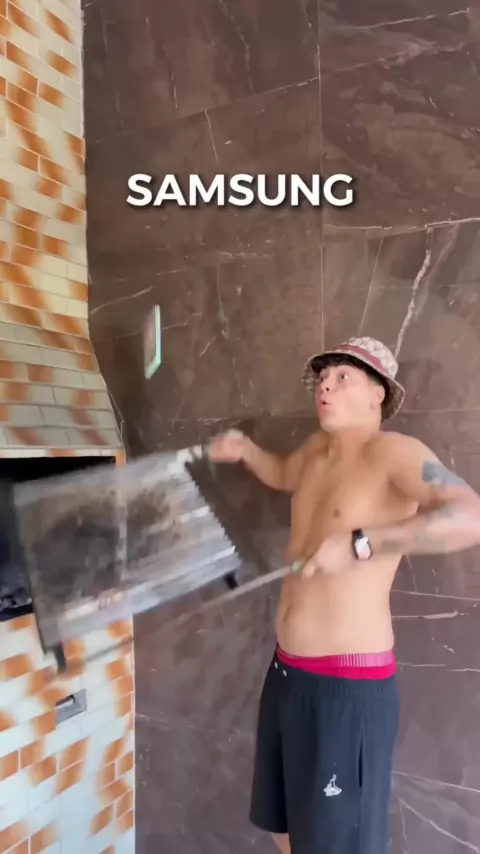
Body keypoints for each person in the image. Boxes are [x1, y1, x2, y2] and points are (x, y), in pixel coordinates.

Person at [207, 336, 480, 854]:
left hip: (346, 690)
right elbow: (282, 473)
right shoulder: (316, 451)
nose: (325, 386)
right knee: (284, 825)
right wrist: (245, 451)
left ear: (379, 393)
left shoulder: (394, 454)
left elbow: (471, 516)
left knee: (336, 845)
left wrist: (361, 542)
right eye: (323, 377)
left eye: (343, 376)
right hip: (287, 675)